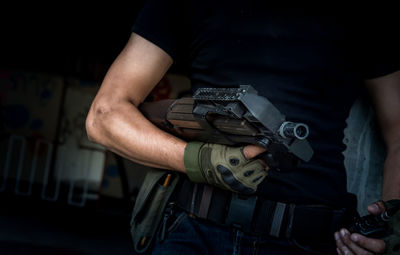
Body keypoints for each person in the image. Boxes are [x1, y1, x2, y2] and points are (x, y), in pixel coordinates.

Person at [85, 2, 400, 254]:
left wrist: (393, 219)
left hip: (310, 238)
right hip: (195, 229)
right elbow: (104, 116)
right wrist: (200, 160)